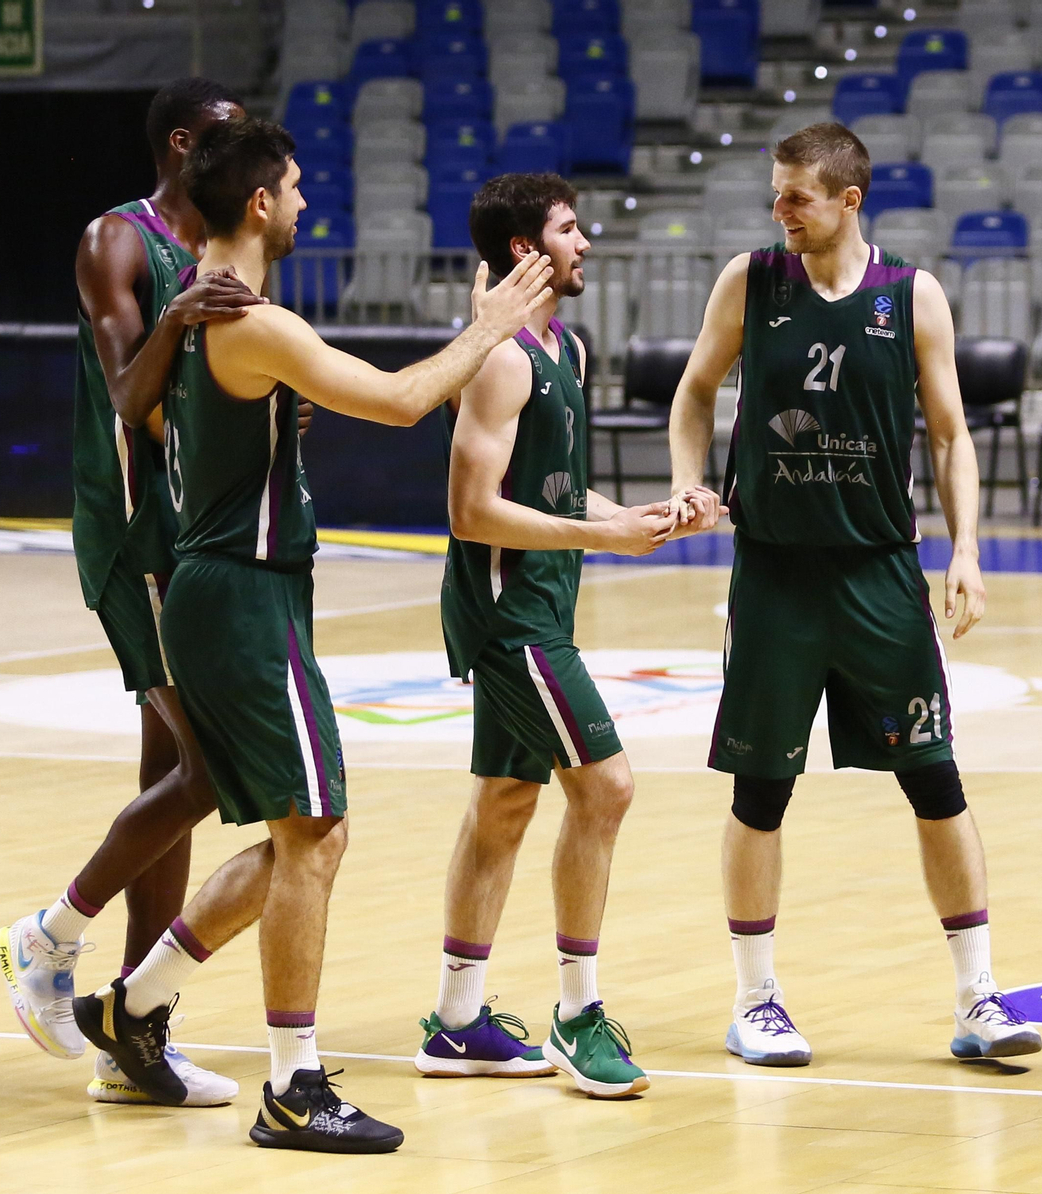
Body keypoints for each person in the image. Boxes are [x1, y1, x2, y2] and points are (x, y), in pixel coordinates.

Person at [68, 115, 557, 1154]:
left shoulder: (206, 308)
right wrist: (492, 327)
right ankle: (292, 1084)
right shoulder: (249, 321)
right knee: (317, 834)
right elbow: (400, 400)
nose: (303, 205)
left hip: (233, 593)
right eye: (291, 190)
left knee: (300, 835)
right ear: (256, 204)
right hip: (242, 596)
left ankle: (133, 1002)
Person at [666, 122, 1042, 1067]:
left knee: (936, 781)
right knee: (762, 791)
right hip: (778, 572)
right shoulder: (749, 281)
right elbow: (695, 390)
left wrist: (968, 550)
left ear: (848, 200)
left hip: (880, 569)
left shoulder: (911, 296)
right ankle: (756, 1003)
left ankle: (980, 999)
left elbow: (952, 436)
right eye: (776, 193)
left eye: (796, 195)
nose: (779, 210)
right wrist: (688, 479)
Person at [0, 77, 302, 1107]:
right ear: (183, 143)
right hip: (137, 538)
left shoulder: (231, 260)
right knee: (215, 777)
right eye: (229, 141)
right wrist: (179, 322)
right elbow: (131, 393)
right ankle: (50, 936)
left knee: (176, 780)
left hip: (197, 538)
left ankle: (135, 1036)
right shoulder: (116, 243)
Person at [413, 174, 696, 1099]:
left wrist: (645, 516)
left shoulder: (563, 344)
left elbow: (559, 497)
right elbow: (470, 512)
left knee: (503, 802)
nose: (587, 242)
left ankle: (457, 1021)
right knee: (606, 789)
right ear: (525, 252)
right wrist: (599, 536)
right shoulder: (501, 360)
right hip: (508, 617)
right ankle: (578, 1014)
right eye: (569, 229)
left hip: (540, 604)